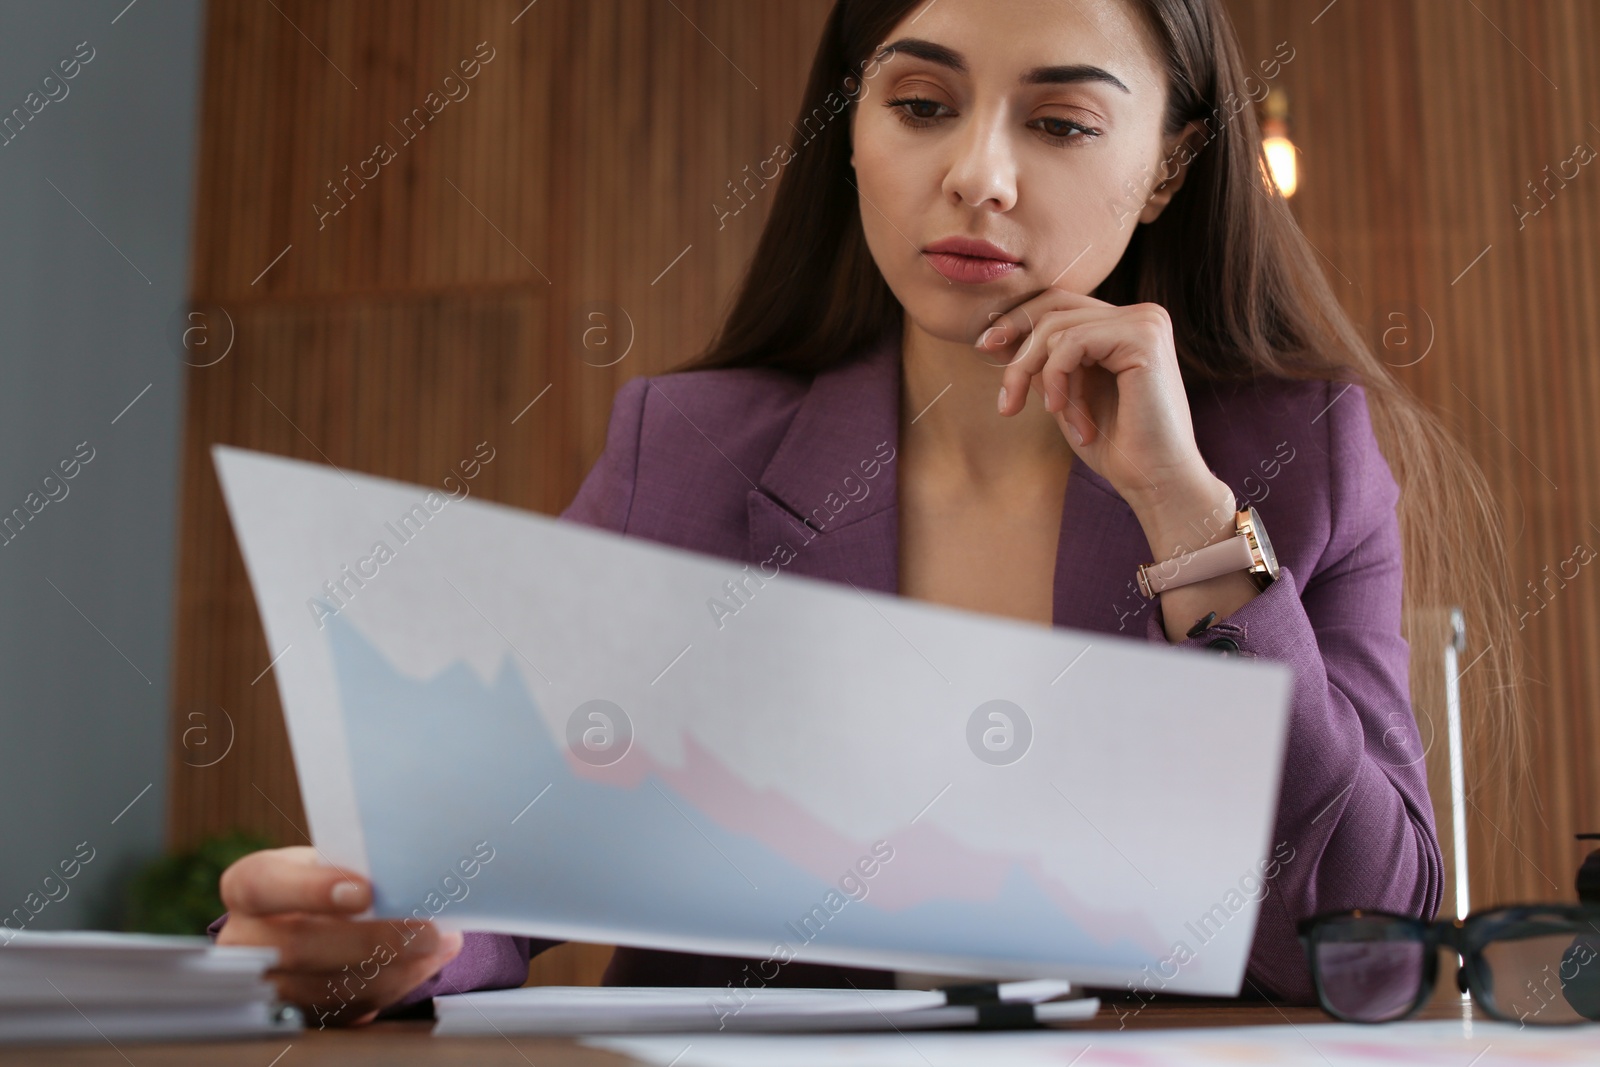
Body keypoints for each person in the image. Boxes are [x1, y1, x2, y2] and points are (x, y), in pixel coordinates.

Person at [210, 0, 1521, 1025]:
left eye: (1061, 123)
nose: (979, 175)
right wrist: (408, 931)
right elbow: (513, 849)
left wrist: (1186, 518)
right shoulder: (692, 448)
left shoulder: (1295, 459)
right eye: (920, 104)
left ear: (1170, 166)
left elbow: (1371, 943)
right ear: (853, 128)